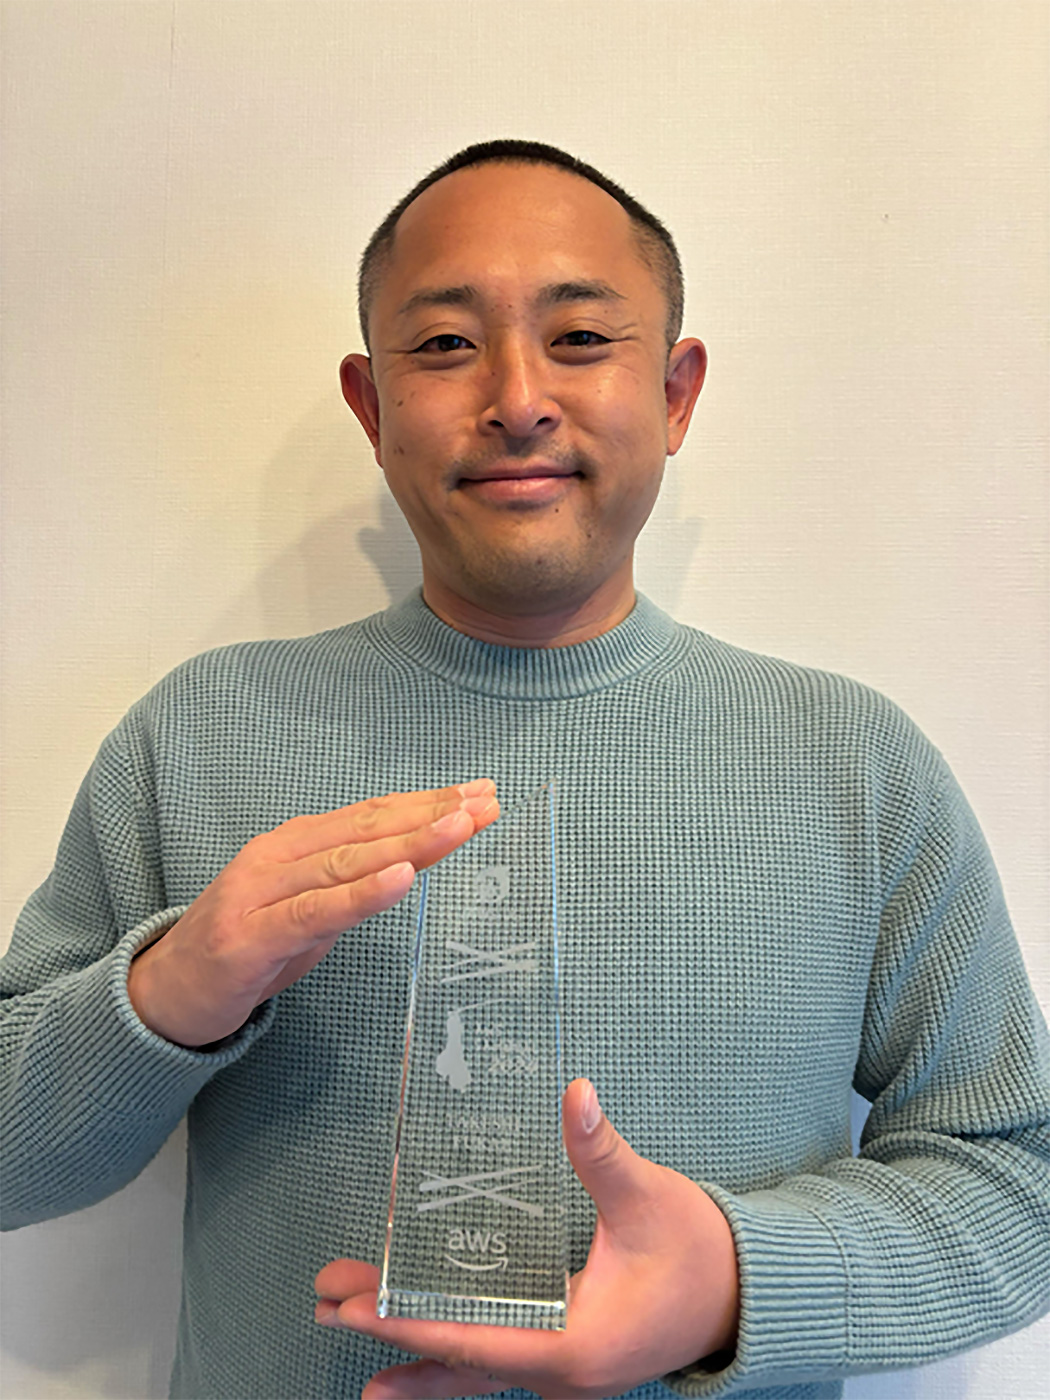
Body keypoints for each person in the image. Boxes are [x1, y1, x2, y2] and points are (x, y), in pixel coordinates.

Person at [1, 139, 1047, 1400]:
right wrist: (169, 991)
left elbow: (1017, 1176)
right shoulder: (199, 733)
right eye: (444, 345)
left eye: (581, 338)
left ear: (675, 391)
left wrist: (730, 1277)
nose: (517, 398)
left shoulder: (856, 764)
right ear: (371, 404)